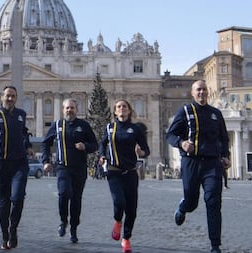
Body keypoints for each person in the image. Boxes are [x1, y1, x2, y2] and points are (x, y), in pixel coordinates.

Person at [166, 80, 231, 253]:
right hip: (191, 162)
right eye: (198, 90)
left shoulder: (216, 114)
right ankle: (183, 206)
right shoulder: (185, 111)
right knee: (192, 201)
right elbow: (170, 135)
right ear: (193, 93)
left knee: (213, 202)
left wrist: (226, 156)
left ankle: (215, 245)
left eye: (204, 89)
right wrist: (181, 143)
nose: (201, 92)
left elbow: (224, 139)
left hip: (212, 164)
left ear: (207, 92)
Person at [0, 86, 33, 250]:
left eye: (13, 96)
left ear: (16, 98)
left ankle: (13, 228)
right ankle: (5, 235)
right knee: (3, 202)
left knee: (17, 197)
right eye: (8, 96)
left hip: (20, 163)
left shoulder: (21, 115)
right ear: (2, 97)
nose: (10, 98)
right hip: (2, 163)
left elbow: (24, 133)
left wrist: (28, 145)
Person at [42, 98, 98, 243]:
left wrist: (85, 146)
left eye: (72, 108)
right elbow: (46, 143)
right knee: (64, 193)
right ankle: (63, 221)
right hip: (62, 167)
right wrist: (46, 161)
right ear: (63, 110)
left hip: (79, 168)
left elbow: (95, 145)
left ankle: (74, 228)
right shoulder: (58, 125)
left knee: (76, 200)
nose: (69, 110)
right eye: (67, 108)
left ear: (76, 110)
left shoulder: (83, 125)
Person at [98, 99, 150, 253]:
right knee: (119, 202)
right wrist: (102, 156)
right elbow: (102, 144)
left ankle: (126, 238)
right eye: (119, 107)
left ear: (129, 110)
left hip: (131, 172)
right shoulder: (110, 128)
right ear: (115, 111)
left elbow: (146, 149)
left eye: (125, 106)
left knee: (132, 209)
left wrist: (142, 152)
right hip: (114, 171)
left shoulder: (135, 129)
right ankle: (117, 221)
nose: (122, 109)